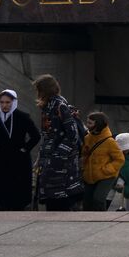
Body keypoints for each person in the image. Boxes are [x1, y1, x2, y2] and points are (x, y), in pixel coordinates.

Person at [33, 74, 84, 211]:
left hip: (62, 163)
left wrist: (57, 156)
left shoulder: (60, 106)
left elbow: (73, 135)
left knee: (62, 200)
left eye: (39, 89)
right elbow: (47, 135)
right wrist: (41, 157)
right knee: (52, 199)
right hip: (50, 159)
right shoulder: (47, 106)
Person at [0, 88, 39, 211]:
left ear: (14, 102)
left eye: (7, 102)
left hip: (18, 158)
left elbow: (36, 135)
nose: (4, 105)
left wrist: (25, 149)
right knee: (1, 187)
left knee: (18, 188)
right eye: (2, 102)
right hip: (1, 158)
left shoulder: (23, 116)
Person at [80, 111, 123, 211]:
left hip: (106, 175)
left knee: (98, 199)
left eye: (90, 123)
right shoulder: (87, 138)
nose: (87, 125)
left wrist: (106, 169)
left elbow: (120, 159)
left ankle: (102, 220)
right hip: (90, 174)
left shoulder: (109, 141)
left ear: (98, 124)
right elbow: (85, 154)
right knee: (87, 201)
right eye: (87, 122)